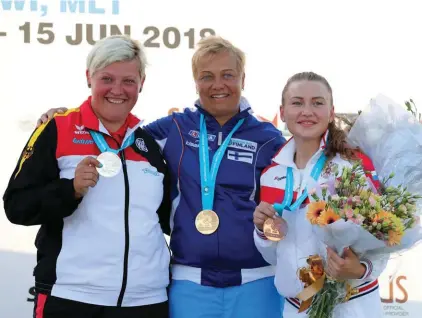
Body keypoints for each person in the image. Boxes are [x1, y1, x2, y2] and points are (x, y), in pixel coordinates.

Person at [35, 36, 286, 318]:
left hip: (256, 281)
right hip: (189, 281)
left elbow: (302, 175)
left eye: (228, 75)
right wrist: (65, 116)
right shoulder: (174, 128)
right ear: (195, 82)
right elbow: (117, 131)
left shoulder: (269, 139)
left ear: (243, 78)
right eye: (207, 76)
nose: (218, 85)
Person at [3, 35, 171, 318]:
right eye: (107, 78)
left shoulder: (148, 144)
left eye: (128, 80)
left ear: (141, 83)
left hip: (145, 300)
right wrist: (70, 190)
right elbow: (17, 206)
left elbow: (167, 218)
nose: (117, 89)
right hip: (72, 297)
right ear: (89, 77)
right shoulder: (57, 128)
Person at [253, 71, 388, 317]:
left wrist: (360, 270)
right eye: (297, 102)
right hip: (297, 307)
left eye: (317, 102)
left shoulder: (353, 164)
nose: (307, 111)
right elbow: (275, 254)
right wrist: (263, 231)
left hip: (351, 304)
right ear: (282, 112)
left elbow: (384, 236)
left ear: (331, 111)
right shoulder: (271, 174)